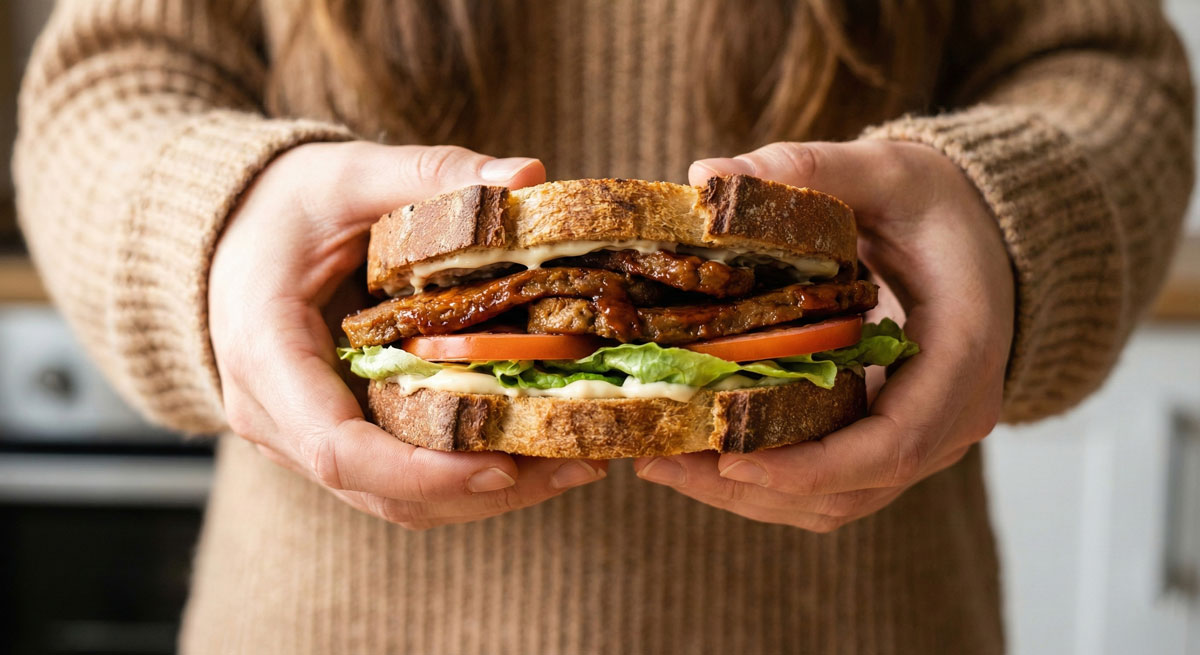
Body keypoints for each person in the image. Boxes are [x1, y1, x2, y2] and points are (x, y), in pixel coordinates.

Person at [14, 0, 1193, 652]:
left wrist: (1003, 216)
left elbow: (1111, 71)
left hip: (860, 618)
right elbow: (110, 78)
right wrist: (218, 226)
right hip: (321, 620)